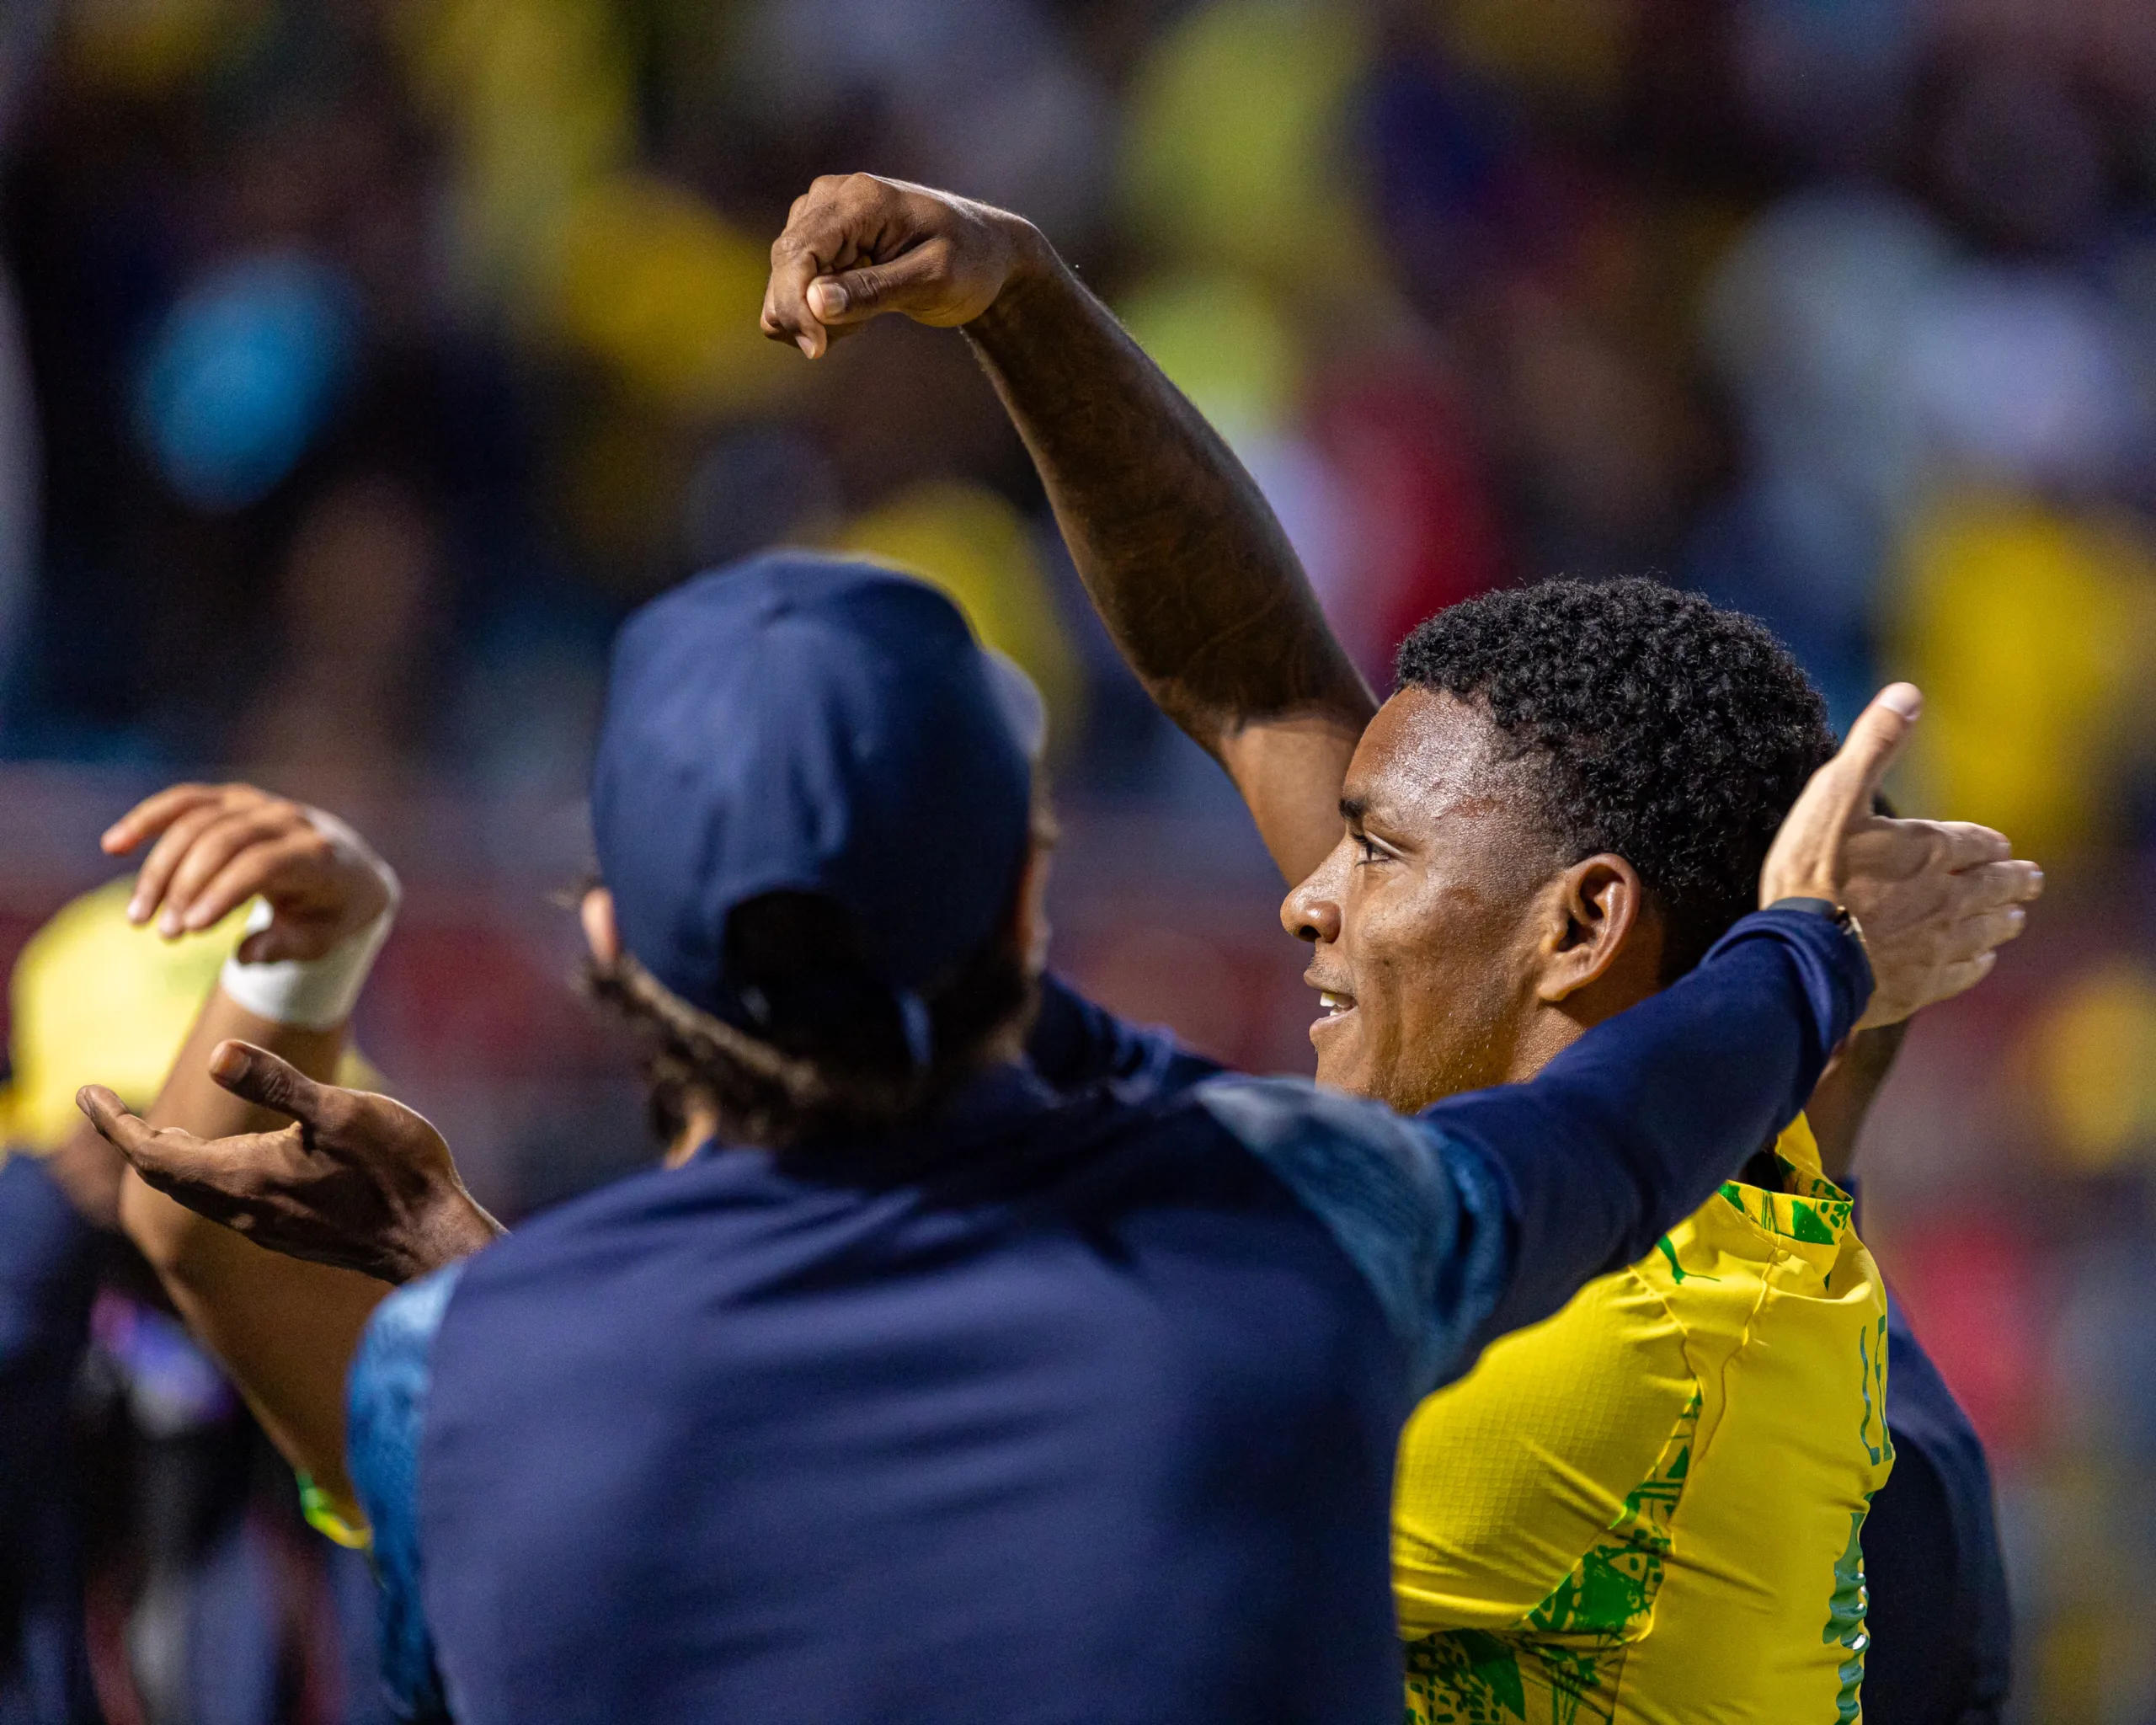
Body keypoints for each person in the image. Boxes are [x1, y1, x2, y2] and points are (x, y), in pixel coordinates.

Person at [82, 550, 2032, 1724]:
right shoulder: (1283, 1271)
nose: (1305, 895)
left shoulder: (486, 1375)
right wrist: (1805, 965)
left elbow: (768, 1436)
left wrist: (407, 1159)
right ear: (1027, 902)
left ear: (603, 940)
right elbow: (1596, 1151)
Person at [753, 174, 2025, 1722]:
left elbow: (892, 1517)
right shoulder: (1613, 1132)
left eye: (1381, 852)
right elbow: (1247, 677)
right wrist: (1020, 303)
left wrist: (463, 1303)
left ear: (1580, 929)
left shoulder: (1625, 1347)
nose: (1306, 896)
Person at [0, 866, 393, 1725]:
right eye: (136, 1123)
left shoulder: (354, 1352)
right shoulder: (36, 1333)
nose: (191, 1170)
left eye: (249, 1131)